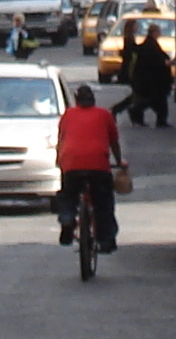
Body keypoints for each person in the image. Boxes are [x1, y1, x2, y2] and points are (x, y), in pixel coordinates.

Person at [53, 82, 124, 254]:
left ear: (77, 101)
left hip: (71, 163)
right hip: (98, 166)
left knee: (68, 195)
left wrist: (60, 162)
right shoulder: (104, 114)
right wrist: (120, 162)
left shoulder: (68, 115)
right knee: (103, 203)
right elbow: (113, 142)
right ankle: (105, 239)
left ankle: (68, 220)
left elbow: (62, 141)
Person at [124, 23, 175, 129]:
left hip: (151, 79)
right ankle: (138, 111)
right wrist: (168, 63)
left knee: (155, 100)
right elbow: (155, 61)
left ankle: (158, 119)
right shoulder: (150, 45)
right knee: (155, 100)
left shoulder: (150, 44)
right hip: (153, 79)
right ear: (154, 33)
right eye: (158, 32)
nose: (159, 34)